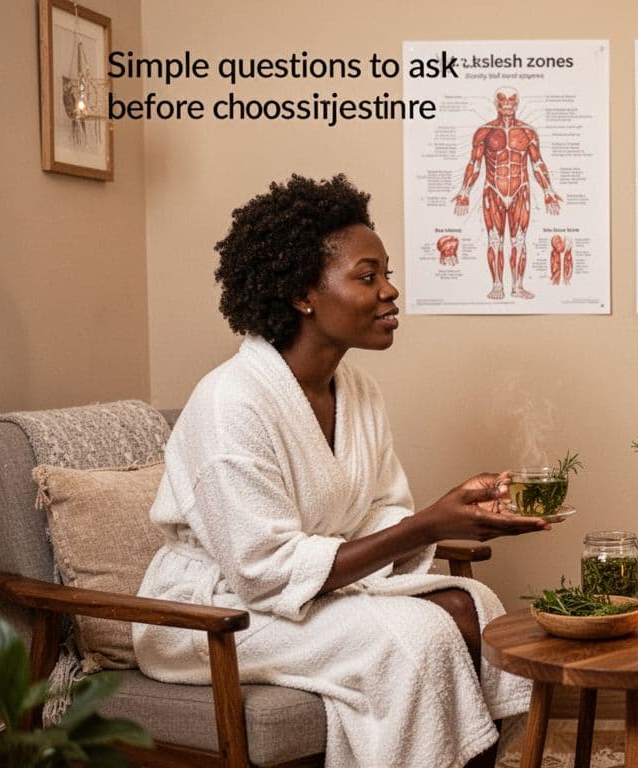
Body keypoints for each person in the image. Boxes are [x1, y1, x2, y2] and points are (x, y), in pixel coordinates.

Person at [134, 174, 553, 768]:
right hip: (212, 615)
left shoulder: (355, 389)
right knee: (417, 638)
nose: (390, 291)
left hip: (302, 592)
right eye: (367, 276)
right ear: (303, 293)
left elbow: (381, 510)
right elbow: (262, 571)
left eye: (387, 274)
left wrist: (443, 517)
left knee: (475, 605)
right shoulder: (232, 402)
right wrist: (432, 524)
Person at [453, 87, 563, 300]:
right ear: (496, 103)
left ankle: (517, 286)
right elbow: (474, 164)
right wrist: (464, 192)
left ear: (517, 102)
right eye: (502, 99)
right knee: (494, 240)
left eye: (512, 99)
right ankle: (497, 285)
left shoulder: (528, 132)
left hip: (520, 190)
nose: (507, 103)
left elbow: (537, 163)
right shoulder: (484, 131)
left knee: (519, 241)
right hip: (493, 190)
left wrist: (548, 191)